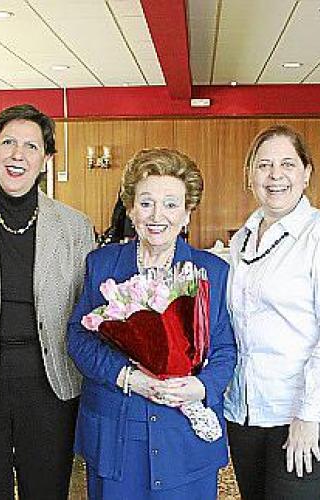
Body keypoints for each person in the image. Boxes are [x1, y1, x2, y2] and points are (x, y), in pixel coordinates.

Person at [67, 148, 237, 499]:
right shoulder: (101, 265)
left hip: (184, 436)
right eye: (146, 203)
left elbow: (225, 348)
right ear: (131, 209)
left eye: (171, 204)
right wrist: (129, 378)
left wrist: (200, 387)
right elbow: (79, 338)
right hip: (117, 434)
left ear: (187, 213)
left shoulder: (213, 272)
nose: (157, 216)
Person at [0, 104, 94, 499]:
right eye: (8, 143)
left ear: (46, 159)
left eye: (31, 146)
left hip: (52, 387)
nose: (18, 155)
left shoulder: (75, 226)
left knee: (46, 491)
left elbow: (88, 313)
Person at [225, 125, 320, 499]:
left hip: (304, 408)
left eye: (287, 164)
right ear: (250, 175)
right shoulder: (242, 238)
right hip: (246, 409)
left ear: (306, 173)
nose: (275, 175)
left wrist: (308, 414)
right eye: (264, 165)